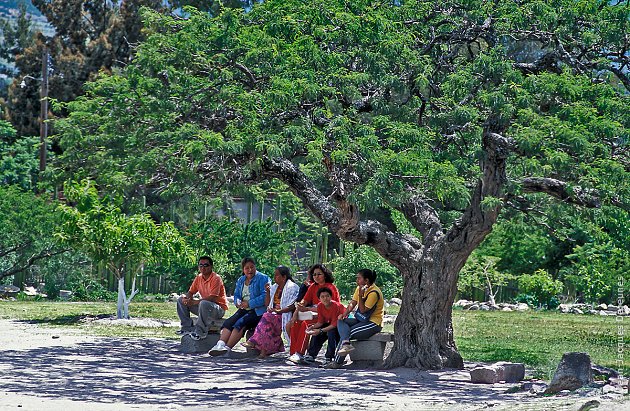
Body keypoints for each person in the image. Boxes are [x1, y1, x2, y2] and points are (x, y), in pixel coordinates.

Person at [208, 257, 270, 356]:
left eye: (252, 267)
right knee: (229, 322)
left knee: (240, 323)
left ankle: (227, 349)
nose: (250, 270)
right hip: (244, 309)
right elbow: (237, 294)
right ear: (243, 269)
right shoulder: (241, 280)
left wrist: (249, 303)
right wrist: (238, 302)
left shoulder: (263, 278)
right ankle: (219, 345)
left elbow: (264, 297)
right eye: (247, 268)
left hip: (258, 311)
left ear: (255, 267)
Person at [325, 268, 384, 369]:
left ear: (366, 281)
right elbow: (353, 302)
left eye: (359, 278)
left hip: (373, 323)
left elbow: (362, 310)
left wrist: (361, 296)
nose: (357, 280)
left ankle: (337, 363)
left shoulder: (374, 293)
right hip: (361, 319)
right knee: (340, 320)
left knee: (349, 333)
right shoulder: (359, 288)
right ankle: (345, 346)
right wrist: (344, 314)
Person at [242, 266, 300, 358]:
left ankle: (253, 342)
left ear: (284, 277)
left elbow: (293, 305)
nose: (274, 277)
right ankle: (263, 352)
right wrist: (268, 292)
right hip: (274, 315)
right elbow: (267, 304)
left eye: (277, 275)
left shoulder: (292, 287)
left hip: (285, 315)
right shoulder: (274, 287)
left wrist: (279, 310)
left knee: (267, 317)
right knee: (267, 321)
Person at [287, 263, 340, 364]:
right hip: (315, 315)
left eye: (319, 274)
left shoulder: (331, 287)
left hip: (327, 318)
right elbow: (304, 301)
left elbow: (328, 306)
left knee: (305, 324)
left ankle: (300, 353)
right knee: (295, 323)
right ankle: (294, 352)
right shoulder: (312, 287)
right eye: (314, 274)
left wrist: (307, 309)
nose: (316, 276)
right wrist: (297, 312)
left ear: (325, 274)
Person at [176, 256, 229, 340]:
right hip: (204, 308)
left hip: (218, 310)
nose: (203, 268)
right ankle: (186, 328)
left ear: (211, 267)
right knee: (180, 300)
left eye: (206, 265)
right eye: (201, 265)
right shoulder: (198, 278)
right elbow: (191, 292)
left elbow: (212, 297)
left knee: (203, 303)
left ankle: (200, 332)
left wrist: (194, 302)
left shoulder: (216, 278)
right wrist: (186, 298)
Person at [303, 287, 345, 366]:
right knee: (317, 330)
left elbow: (334, 325)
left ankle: (329, 357)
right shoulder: (320, 306)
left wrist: (320, 331)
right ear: (319, 299)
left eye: (327, 296)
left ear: (331, 297)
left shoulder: (336, 306)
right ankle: (311, 355)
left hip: (341, 326)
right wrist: (312, 327)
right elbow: (320, 322)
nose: (325, 298)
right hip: (330, 324)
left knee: (331, 332)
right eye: (322, 297)